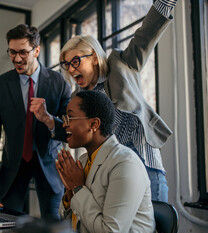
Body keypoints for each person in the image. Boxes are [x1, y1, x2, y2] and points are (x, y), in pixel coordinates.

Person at [59, 0, 178, 202]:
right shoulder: (77, 98)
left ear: (94, 58)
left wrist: (165, 3)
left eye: (76, 61)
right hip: (111, 170)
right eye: (66, 64)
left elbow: (145, 36)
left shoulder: (121, 63)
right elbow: (72, 131)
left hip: (143, 160)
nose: (70, 69)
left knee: (155, 227)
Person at [0, 24, 71, 219]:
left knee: (53, 227)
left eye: (23, 52)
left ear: (36, 50)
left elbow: (69, 133)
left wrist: (48, 119)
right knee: (6, 224)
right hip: (13, 167)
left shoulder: (60, 83)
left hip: (50, 166)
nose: (17, 59)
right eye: (12, 52)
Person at [56, 90, 156, 233]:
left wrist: (78, 187)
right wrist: (70, 193)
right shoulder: (82, 161)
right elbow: (70, 226)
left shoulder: (125, 164)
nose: (64, 124)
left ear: (94, 124)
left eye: (70, 117)